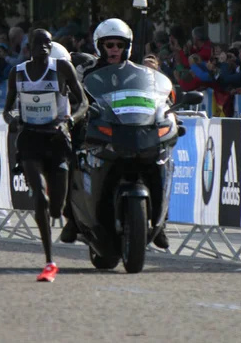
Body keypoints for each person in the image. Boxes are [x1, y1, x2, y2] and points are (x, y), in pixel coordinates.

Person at [63, 18, 171, 249]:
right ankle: (71, 218)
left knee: (161, 161)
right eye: (109, 44)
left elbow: (157, 98)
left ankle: (161, 223)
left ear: (127, 47)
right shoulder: (85, 70)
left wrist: (167, 112)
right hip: (96, 129)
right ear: (99, 46)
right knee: (69, 158)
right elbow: (72, 93)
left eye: (119, 45)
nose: (114, 49)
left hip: (133, 130)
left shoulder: (139, 73)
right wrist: (73, 111)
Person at [3, 29, 88, 282]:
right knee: (39, 194)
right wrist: (12, 119)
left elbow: (83, 103)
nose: (43, 47)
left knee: (57, 206)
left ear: (51, 47)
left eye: (47, 44)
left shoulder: (62, 68)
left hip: (57, 139)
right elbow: (7, 109)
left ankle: (57, 217)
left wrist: (71, 120)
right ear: (29, 46)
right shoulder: (16, 73)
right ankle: (49, 261)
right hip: (30, 139)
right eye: (38, 43)